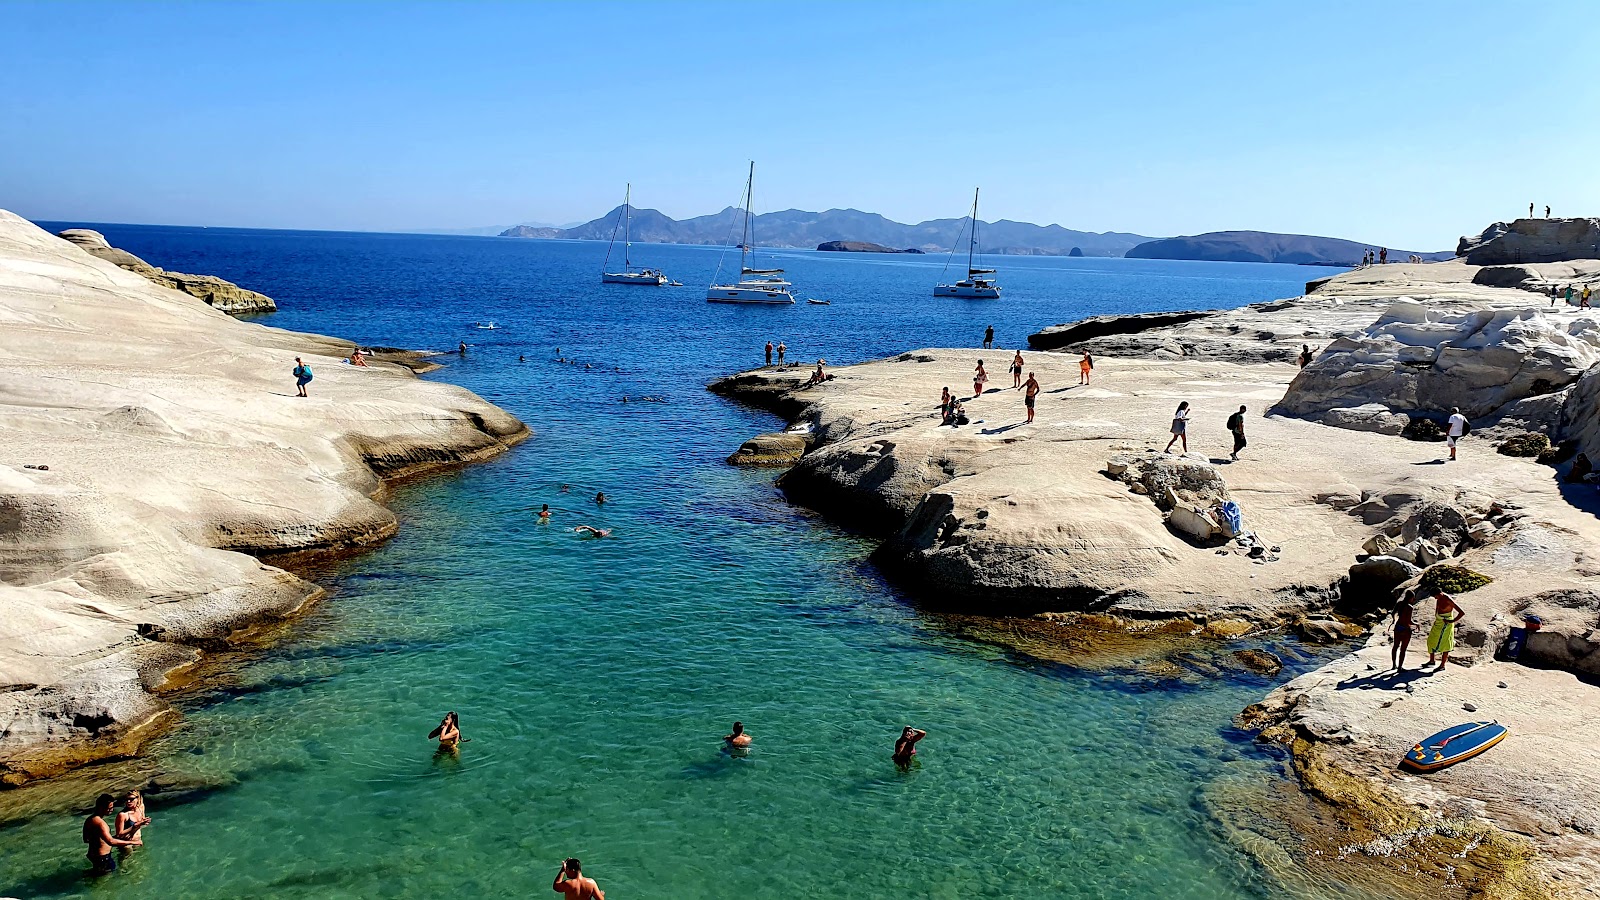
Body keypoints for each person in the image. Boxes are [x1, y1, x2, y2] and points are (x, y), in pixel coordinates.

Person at [84, 793, 135, 874]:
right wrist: (132, 842)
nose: (112, 810)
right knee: (104, 878)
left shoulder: (89, 820)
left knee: (98, 873)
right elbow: (110, 842)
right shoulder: (100, 823)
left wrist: (104, 840)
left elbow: (86, 839)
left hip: (94, 855)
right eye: (110, 808)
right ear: (101, 807)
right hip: (103, 857)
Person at [1424, 592, 1465, 669]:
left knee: (1445, 644)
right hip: (1438, 623)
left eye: (1435, 596)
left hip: (1446, 625)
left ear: (1440, 593)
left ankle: (1442, 665)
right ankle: (1432, 661)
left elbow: (1461, 612)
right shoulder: (1439, 599)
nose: (1435, 598)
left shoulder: (1448, 599)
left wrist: (1452, 621)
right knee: (1431, 640)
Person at [1391, 592, 1419, 671]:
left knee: (1395, 646)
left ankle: (1394, 665)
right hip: (1406, 630)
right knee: (1403, 649)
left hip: (1398, 627)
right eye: (1413, 598)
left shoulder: (1399, 603)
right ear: (1411, 598)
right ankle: (1400, 667)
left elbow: (1393, 613)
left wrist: (1393, 620)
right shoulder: (1409, 607)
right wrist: (1416, 624)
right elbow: (1409, 621)